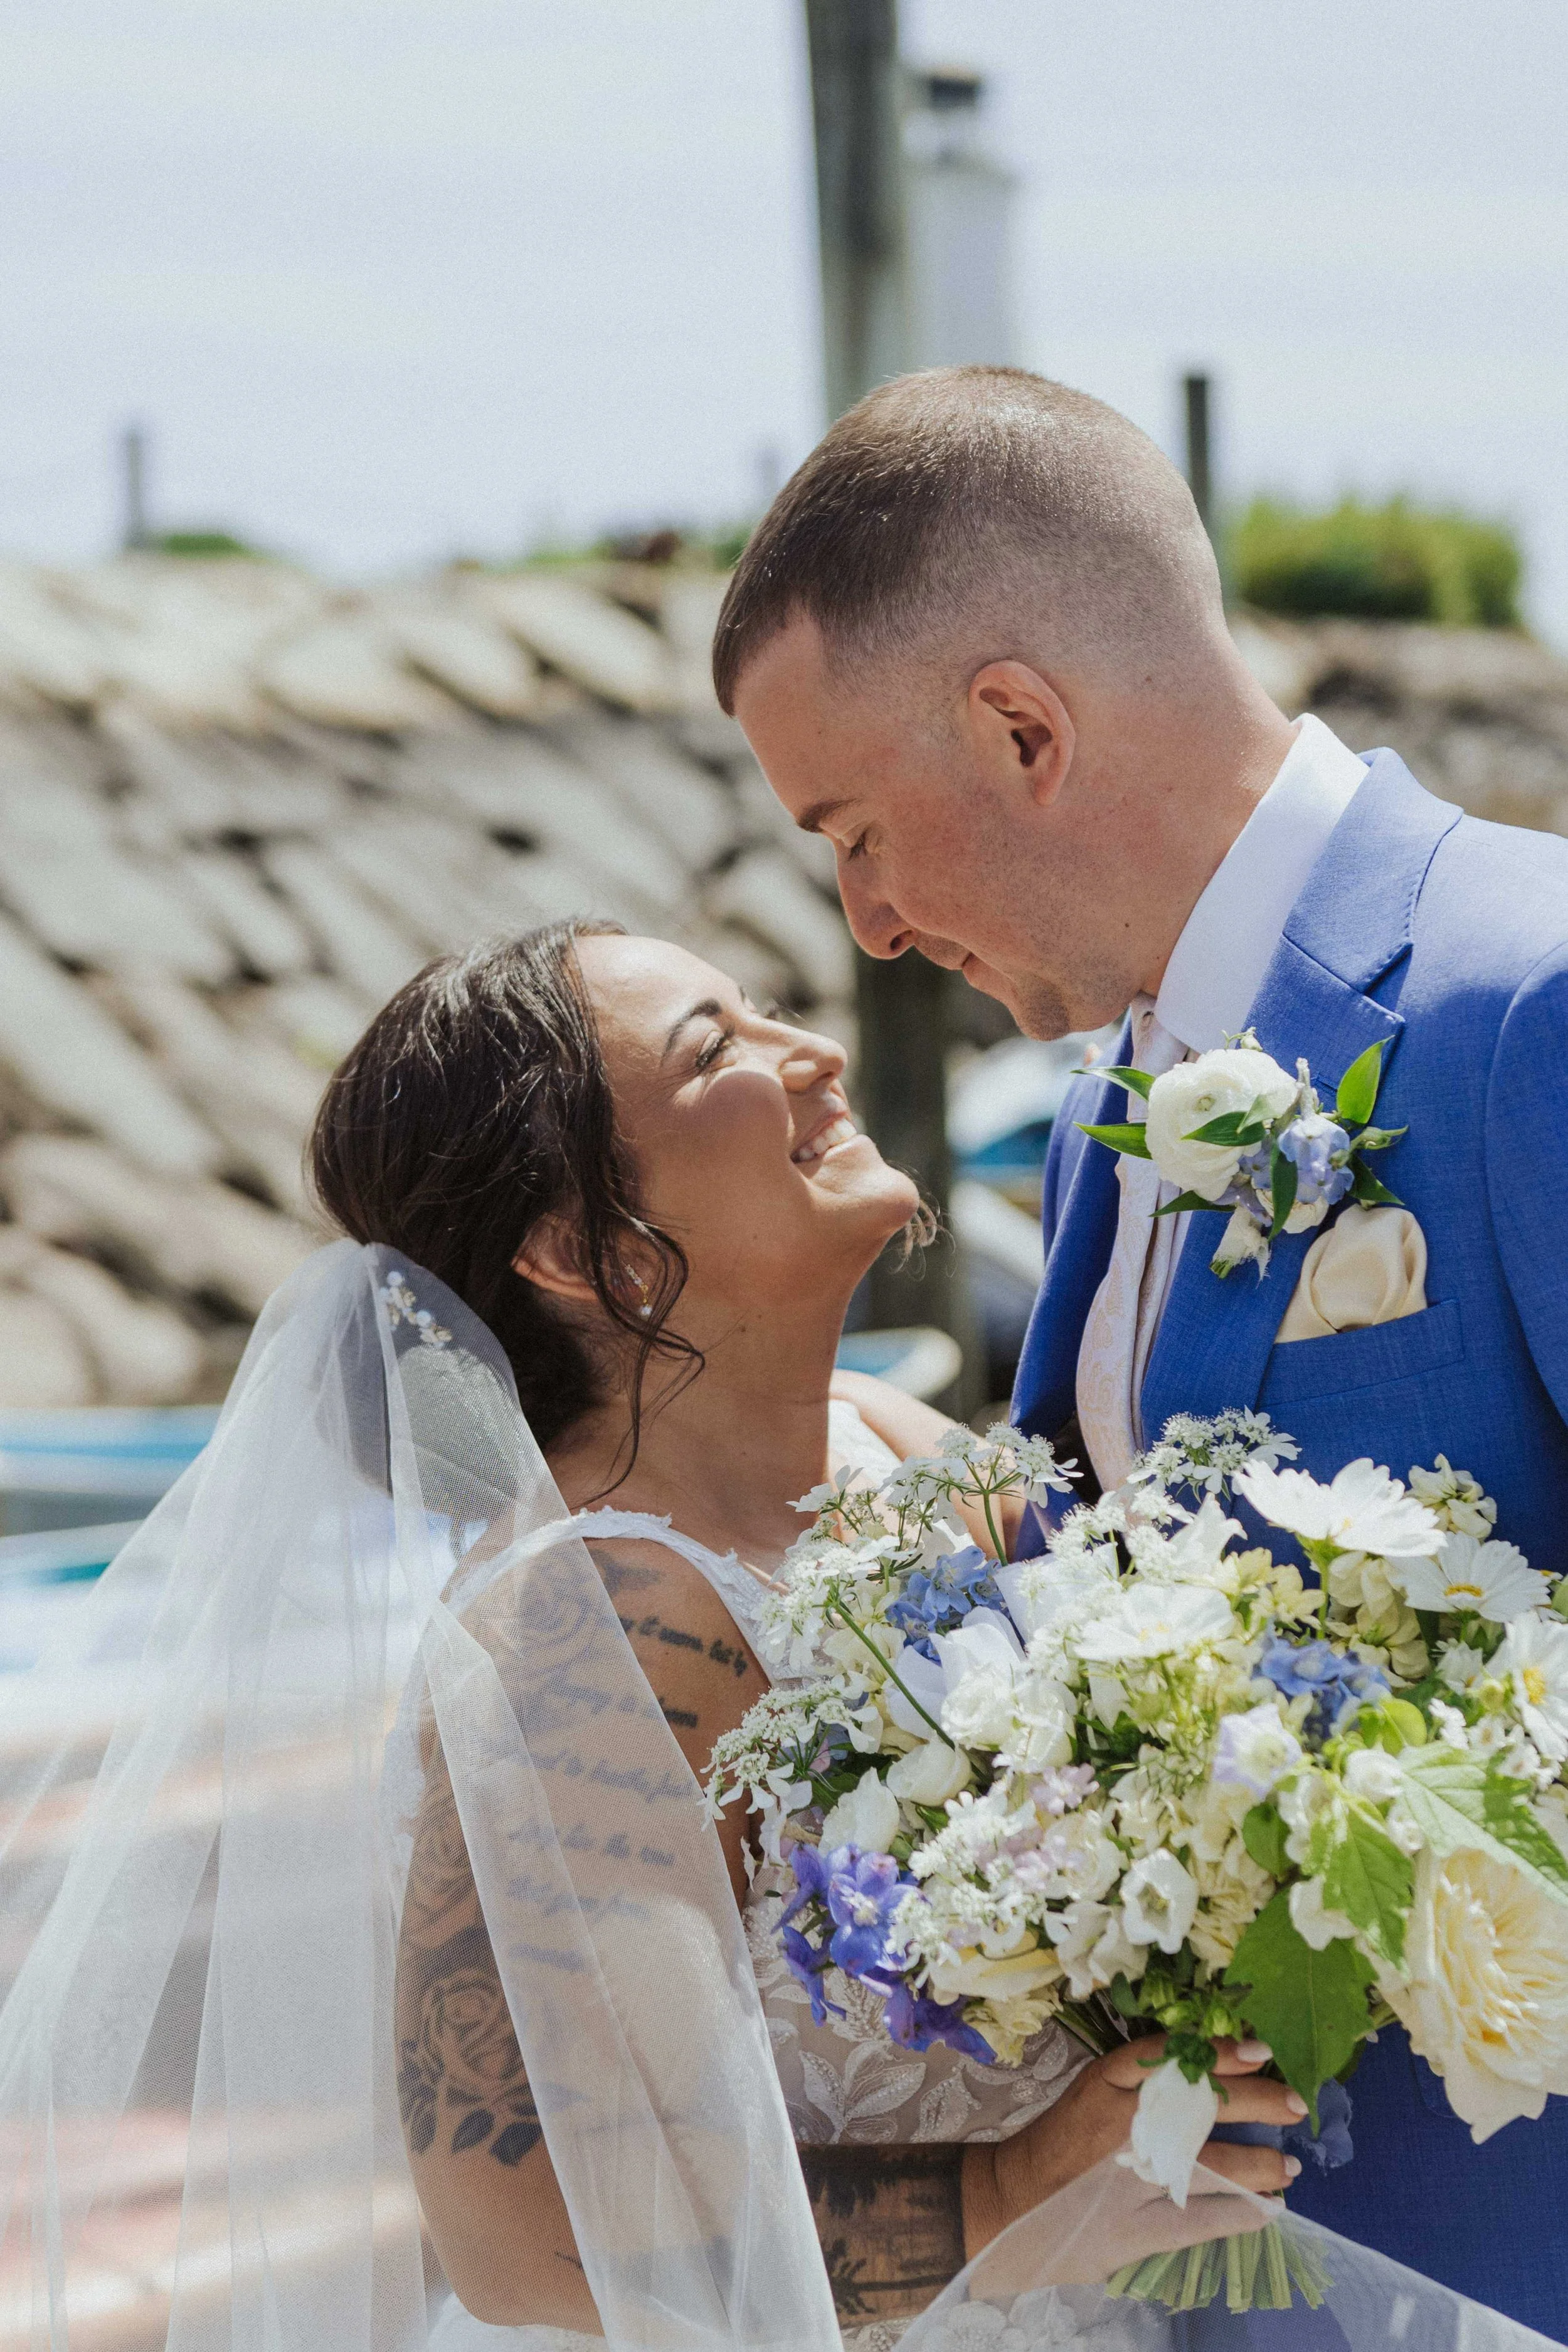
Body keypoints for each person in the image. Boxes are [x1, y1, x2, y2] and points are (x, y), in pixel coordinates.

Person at [0, 921, 1307, 2352]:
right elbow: (525, 2244)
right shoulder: (585, 1629)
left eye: (759, 1013)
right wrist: (1003, 2196)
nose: (809, 1056)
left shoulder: (893, 1444)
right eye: (715, 1052)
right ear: (585, 1253)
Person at [717, 364, 1568, 2339]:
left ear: (1021, 725)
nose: (865, 919)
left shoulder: (1525, 996)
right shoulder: (1121, 1094)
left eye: (853, 829)